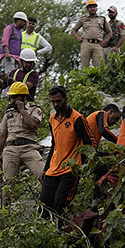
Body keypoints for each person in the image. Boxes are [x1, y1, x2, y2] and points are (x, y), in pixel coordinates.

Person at [40, 86, 97, 215]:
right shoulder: (52, 119)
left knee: (60, 204)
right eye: (53, 102)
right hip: (53, 169)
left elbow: (91, 142)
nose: (55, 104)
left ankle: (61, 233)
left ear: (66, 99)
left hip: (70, 169)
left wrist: (84, 163)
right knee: (44, 205)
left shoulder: (77, 119)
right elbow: (54, 145)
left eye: (58, 101)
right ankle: (47, 233)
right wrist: (46, 168)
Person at [0, 82, 45, 181]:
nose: (13, 100)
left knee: (44, 176)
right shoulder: (9, 113)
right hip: (11, 149)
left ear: (24, 97)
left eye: (16, 97)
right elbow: (2, 136)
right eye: (12, 97)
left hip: (29, 148)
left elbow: (33, 124)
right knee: (8, 184)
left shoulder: (34, 109)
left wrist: (22, 110)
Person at [71, 0, 111, 68]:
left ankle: (98, 79)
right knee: (84, 66)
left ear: (96, 8)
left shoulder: (102, 19)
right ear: (87, 9)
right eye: (90, 7)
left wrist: (105, 41)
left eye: (94, 7)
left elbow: (109, 32)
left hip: (98, 44)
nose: (92, 8)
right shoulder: (83, 19)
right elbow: (73, 30)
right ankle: (83, 78)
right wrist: (77, 37)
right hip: (86, 43)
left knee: (99, 67)